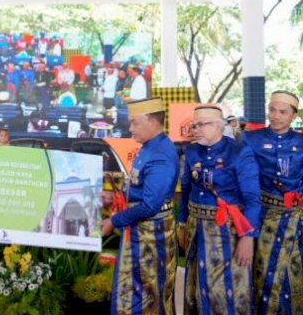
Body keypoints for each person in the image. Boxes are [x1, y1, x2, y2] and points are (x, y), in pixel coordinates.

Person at [178, 105, 260, 314]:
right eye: (193, 125)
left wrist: (248, 237)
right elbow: (186, 188)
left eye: (200, 125)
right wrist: (182, 222)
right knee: (196, 286)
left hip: (227, 231)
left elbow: (252, 198)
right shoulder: (191, 150)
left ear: (218, 126)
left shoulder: (239, 151)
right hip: (196, 229)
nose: (195, 129)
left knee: (226, 289)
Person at [101, 97, 179, 314]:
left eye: (135, 122)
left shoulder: (160, 155)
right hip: (141, 233)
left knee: (148, 298)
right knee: (135, 294)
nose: (130, 128)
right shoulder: (150, 147)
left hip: (151, 237)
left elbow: (149, 206)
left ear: (153, 122)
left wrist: (112, 221)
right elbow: (139, 188)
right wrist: (113, 197)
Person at [243, 91, 303, 314]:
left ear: (294, 116)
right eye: (272, 110)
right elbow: (245, 178)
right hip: (263, 215)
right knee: (265, 272)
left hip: (296, 218)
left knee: (294, 269)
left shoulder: (301, 141)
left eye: (283, 112)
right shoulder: (251, 138)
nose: (275, 116)